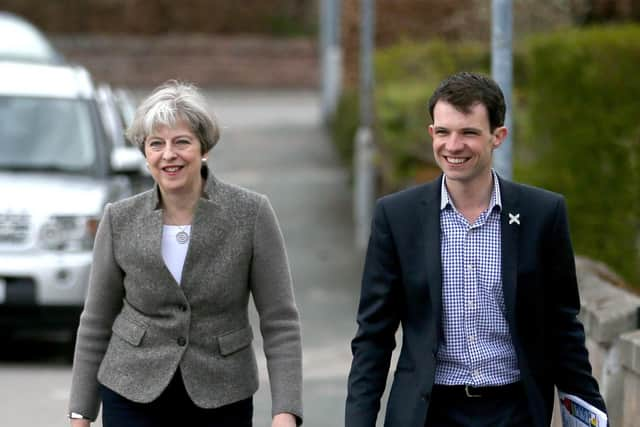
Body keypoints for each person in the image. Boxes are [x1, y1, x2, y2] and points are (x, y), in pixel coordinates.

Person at [345, 71, 607, 427]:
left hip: (515, 411)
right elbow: (374, 337)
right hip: (427, 413)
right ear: (431, 133)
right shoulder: (397, 217)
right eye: (443, 132)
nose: (453, 146)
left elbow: (563, 328)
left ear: (498, 136)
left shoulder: (541, 214)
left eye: (468, 132)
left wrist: (591, 417)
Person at [68, 80, 302, 427]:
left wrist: (286, 411)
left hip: (222, 392)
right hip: (131, 391)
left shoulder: (251, 213)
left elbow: (280, 320)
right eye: (156, 144)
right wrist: (80, 413)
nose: (168, 155)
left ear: (203, 147)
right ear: (145, 153)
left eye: (181, 142)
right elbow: (96, 320)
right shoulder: (119, 218)